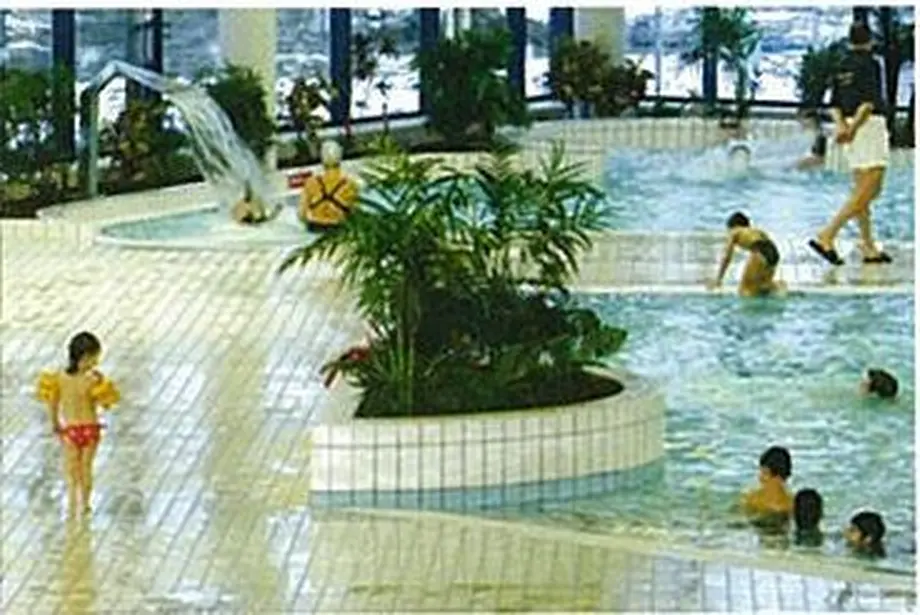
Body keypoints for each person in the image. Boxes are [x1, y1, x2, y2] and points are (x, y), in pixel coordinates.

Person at [808, 22, 892, 266]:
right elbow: (868, 103)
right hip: (868, 126)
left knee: (861, 190)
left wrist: (843, 127)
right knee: (871, 188)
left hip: (847, 125)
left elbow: (834, 104)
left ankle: (868, 246)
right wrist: (854, 128)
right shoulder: (871, 64)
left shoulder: (841, 65)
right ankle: (827, 234)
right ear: (870, 40)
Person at [36, 332, 120, 516]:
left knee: (72, 468)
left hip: (70, 430)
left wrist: (54, 422)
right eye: (94, 358)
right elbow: (105, 403)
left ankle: (73, 500)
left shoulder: (59, 378)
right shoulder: (92, 380)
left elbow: (53, 402)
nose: (95, 363)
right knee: (86, 468)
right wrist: (103, 387)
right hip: (90, 428)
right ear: (85, 357)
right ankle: (85, 503)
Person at [708, 211, 786, 297]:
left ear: (732, 226)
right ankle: (778, 286)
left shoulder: (735, 231)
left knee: (744, 290)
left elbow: (727, 257)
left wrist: (719, 279)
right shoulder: (757, 231)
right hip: (774, 254)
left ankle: (778, 286)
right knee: (762, 285)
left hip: (759, 251)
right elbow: (769, 245)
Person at [298, 140, 359, 232]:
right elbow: (355, 213)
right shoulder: (350, 184)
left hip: (315, 226)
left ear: (322, 159)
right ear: (340, 157)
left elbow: (301, 215)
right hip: (338, 227)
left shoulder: (311, 182)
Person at [740, 445, 793, 518]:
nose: (760, 478)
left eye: (765, 473)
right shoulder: (751, 499)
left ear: (778, 477)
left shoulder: (791, 505)